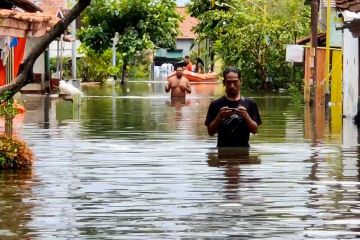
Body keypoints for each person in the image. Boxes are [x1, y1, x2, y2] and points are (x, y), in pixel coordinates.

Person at [205, 66, 262, 147]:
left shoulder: (250, 103)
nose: (232, 86)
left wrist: (246, 116)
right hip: (222, 153)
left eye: (235, 82)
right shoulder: (215, 104)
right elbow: (210, 132)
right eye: (229, 82)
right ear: (224, 83)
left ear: (240, 81)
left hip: (244, 153)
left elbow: (255, 130)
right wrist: (219, 116)